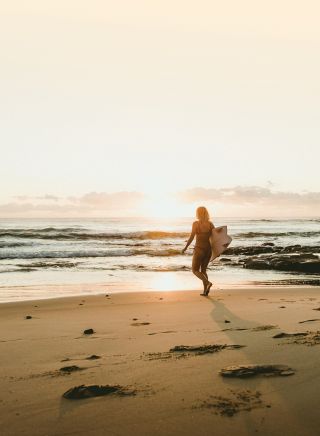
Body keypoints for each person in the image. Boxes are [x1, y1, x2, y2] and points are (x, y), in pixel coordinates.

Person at [182, 206, 214, 296]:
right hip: (208, 250)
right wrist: (217, 250)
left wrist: (185, 247)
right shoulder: (210, 224)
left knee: (195, 270)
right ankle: (205, 291)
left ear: (198, 213)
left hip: (199, 249)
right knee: (203, 271)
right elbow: (216, 238)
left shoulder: (196, 224)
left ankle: (207, 283)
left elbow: (192, 237)